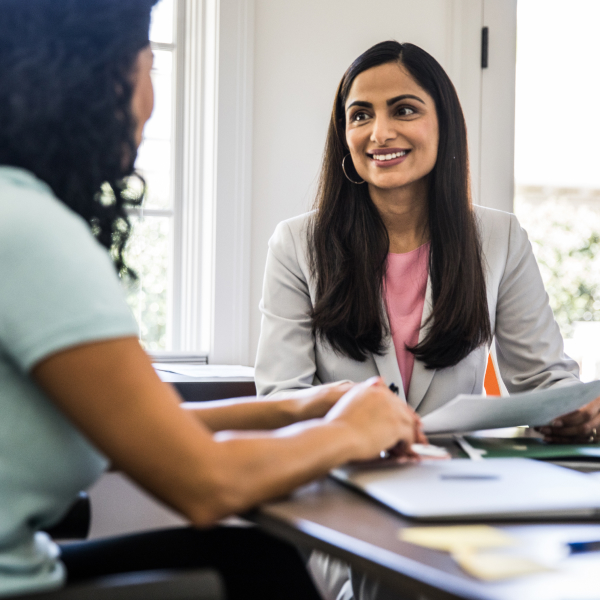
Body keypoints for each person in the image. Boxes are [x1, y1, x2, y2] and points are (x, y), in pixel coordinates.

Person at [0, 5, 422, 598]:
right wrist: (349, 432)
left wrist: (298, 410)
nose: (151, 98)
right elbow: (206, 484)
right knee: (258, 567)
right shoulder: (31, 235)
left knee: (255, 557)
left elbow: (132, 431)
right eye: (148, 66)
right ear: (100, 79)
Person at [254, 40, 600, 599]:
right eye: (360, 115)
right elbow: (280, 398)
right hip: (347, 501)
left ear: (445, 127)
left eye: (404, 109)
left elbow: (543, 380)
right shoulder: (298, 244)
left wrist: (574, 406)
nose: (379, 132)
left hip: (464, 499)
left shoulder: (499, 238)